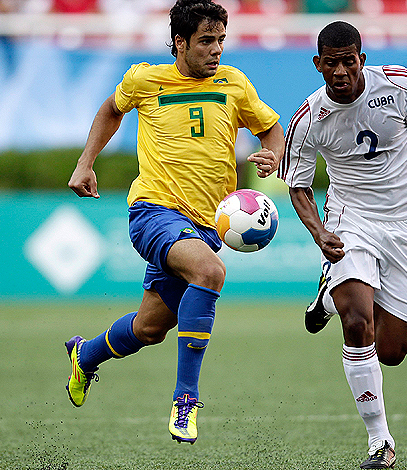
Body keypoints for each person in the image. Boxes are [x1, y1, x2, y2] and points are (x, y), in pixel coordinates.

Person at [65, 0, 284, 444]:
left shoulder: (235, 84)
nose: (217, 49)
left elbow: (269, 126)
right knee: (210, 271)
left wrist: (275, 154)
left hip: (206, 227)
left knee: (149, 329)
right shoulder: (146, 79)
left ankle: (85, 356)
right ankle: (186, 400)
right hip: (153, 212)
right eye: (206, 41)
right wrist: (86, 162)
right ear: (180, 43)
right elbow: (111, 109)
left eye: (221, 39)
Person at [279, 21, 407, 469]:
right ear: (318, 64)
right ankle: (380, 442)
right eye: (331, 63)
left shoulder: (400, 88)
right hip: (349, 221)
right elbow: (298, 186)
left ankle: (328, 294)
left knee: (392, 351)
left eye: (349, 61)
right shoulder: (309, 118)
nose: (340, 71)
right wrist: (319, 231)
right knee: (357, 322)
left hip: (404, 223)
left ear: (362, 57)